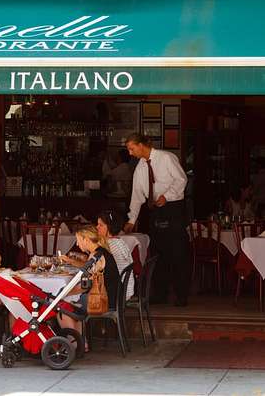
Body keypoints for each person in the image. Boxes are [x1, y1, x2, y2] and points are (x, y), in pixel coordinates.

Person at [123, 133, 189, 307]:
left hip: (173, 208)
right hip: (155, 211)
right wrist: (132, 219)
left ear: (141, 145)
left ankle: (181, 295)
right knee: (158, 254)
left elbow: (181, 179)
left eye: (131, 148)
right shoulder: (140, 167)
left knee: (177, 252)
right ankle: (159, 294)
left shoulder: (166, 158)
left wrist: (167, 196)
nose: (130, 153)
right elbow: (137, 195)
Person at [59, 225, 120, 346]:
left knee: (61, 306)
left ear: (86, 239)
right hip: (111, 296)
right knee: (70, 300)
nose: (77, 244)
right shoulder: (101, 252)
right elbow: (88, 272)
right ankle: (82, 343)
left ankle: (75, 344)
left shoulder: (96, 256)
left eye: (78, 240)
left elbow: (86, 285)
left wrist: (64, 293)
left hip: (103, 300)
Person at [96, 210, 134, 299]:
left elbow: (98, 269)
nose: (97, 227)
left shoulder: (110, 246)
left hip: (118, 291)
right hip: (126, 288)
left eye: (101, 225)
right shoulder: (119, 241)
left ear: (109, 227)